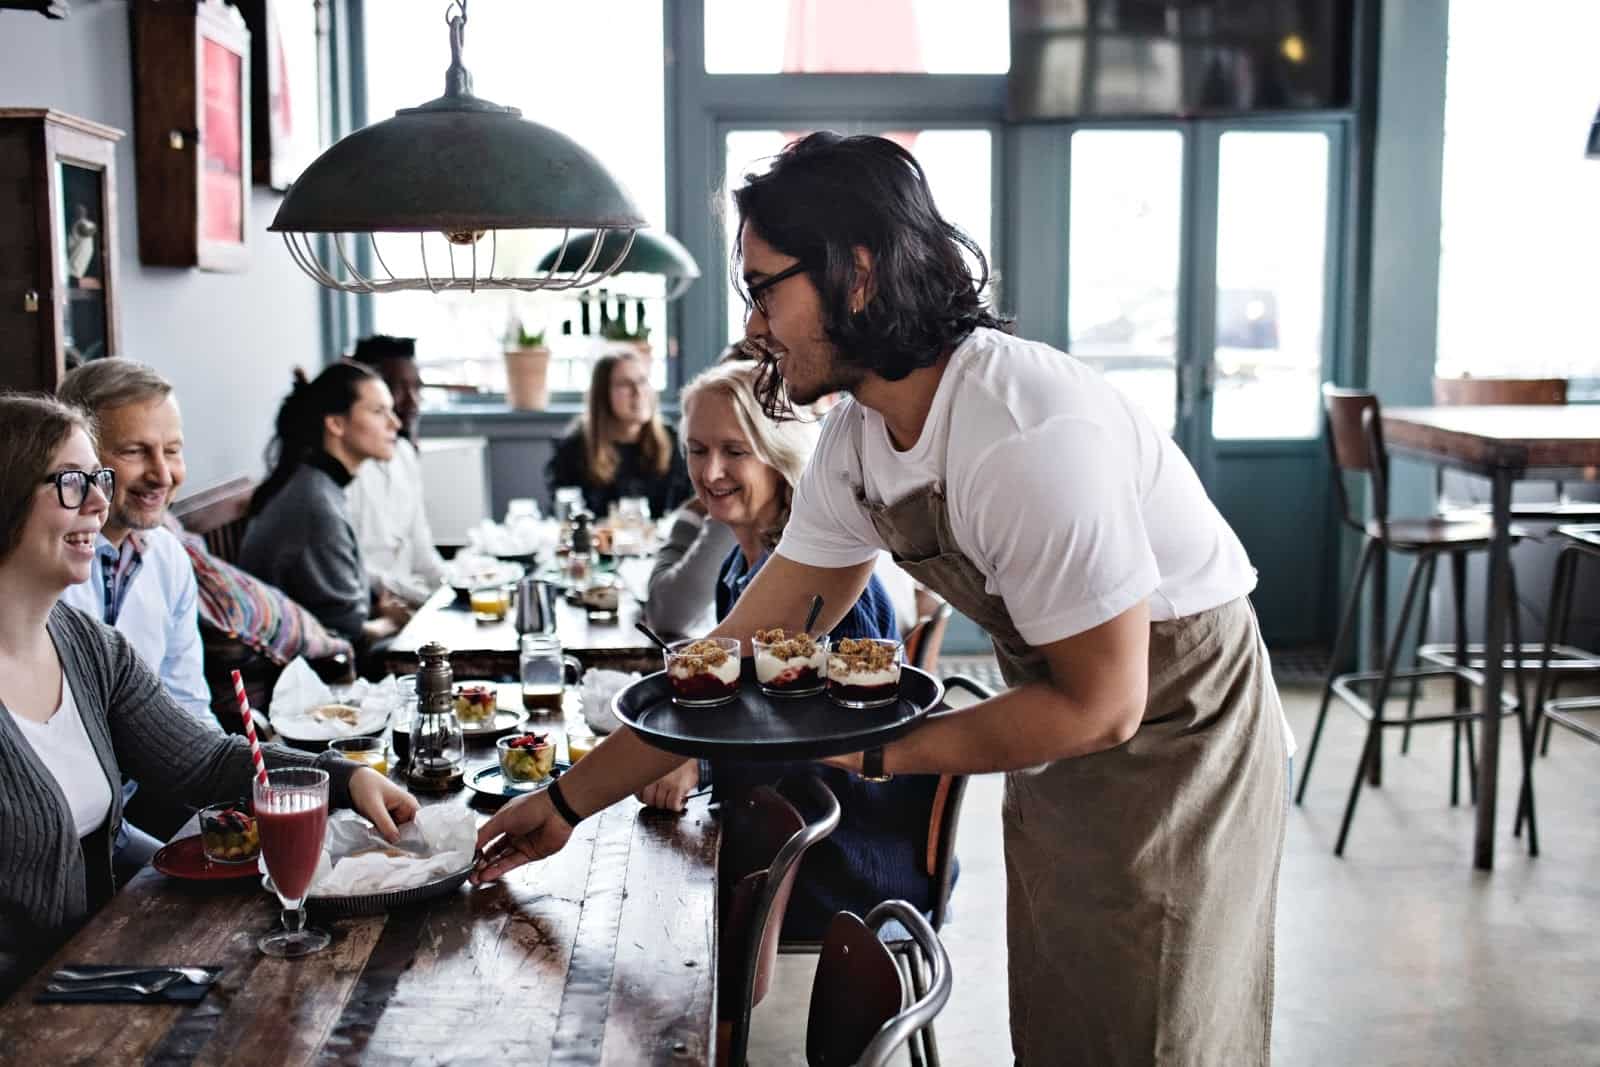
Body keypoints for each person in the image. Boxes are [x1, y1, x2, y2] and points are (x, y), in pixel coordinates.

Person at [475, 133, 1289, 1065]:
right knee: (1069, 1022)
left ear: (855, 274)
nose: (753, 328)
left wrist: (872, 748)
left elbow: (1106, 704)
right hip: (1056, 713)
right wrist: (567, 802)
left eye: (765, 289)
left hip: (1180, 729)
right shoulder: (859, 441)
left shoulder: (1020, 432)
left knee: (1162, 1032)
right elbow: (739, 646)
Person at [0, 394, 418, 997]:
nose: (98, 500)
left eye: (98, 478)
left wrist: (344, 779)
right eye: (71, 482)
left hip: (91, 970)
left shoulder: (87, 646)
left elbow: (203, 760)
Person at [634, 360, 932, 937]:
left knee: (649, 916)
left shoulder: (824, 583)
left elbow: (820, 744)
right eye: (697, 450)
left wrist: (694, 757)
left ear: (778, 452)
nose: (711, 471)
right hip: (773, 822)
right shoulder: (737, 566)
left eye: (734, 450)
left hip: (835, 857)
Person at [56, 359, 218, 881]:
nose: (162, 474)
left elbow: (188, 708)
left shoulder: (168, 557)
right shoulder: (44, 567)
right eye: (133, 452)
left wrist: (226, 806)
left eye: (172, 450)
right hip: (60, 829)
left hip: (121, 815)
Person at [239, 362, 407, 648]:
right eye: (379, 412)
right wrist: (392, 621)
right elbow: (345, 635)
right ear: (336, 424)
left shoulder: (318, 486)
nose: (396, 423)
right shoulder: (316, 504)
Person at [345, 335, 447, 608]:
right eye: (397, 389)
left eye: (416, 388)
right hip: (371, 609)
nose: (412, 402)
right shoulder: (344, 471)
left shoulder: (403, 454)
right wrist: (423, 599)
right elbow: (350, 574)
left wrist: (457, 590)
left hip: (409, 599)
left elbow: (424, 554)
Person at [545, 350, 692, 521]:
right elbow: (564, 518)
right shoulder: (574, 449)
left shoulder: (673, 440)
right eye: (625, 384)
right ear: (603, 395)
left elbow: (688, 512)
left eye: (643, 381)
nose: (638, 392)